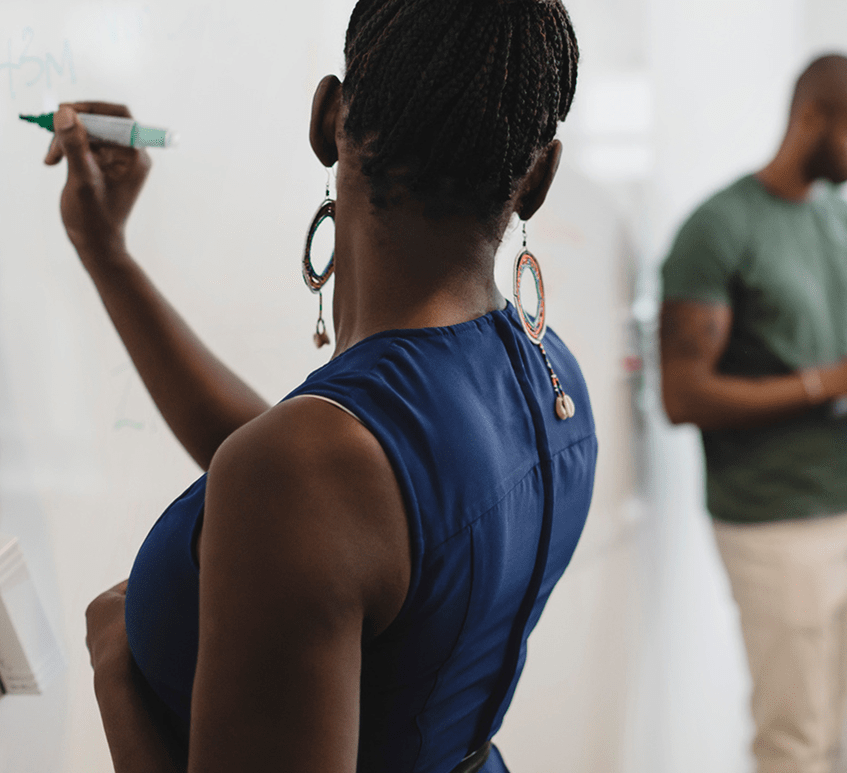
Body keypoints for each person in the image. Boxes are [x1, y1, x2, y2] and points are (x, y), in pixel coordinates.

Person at [49, 2, 595, 772]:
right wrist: (105, 253)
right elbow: (326, 501)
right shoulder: (551, 375)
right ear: (537, 177)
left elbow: (311, 496)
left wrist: (115, 670)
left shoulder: (315, 473)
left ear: (328, 116)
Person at [659, 53, 847, 773]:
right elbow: (682, 394)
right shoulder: (718, 225)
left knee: (827, 726)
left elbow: (843, 364)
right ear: (810, 116)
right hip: (767, 515)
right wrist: (831, 379)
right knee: (790, 737)